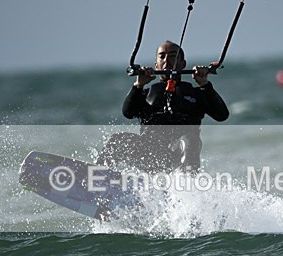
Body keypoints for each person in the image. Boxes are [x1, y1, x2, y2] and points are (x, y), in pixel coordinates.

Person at [97, 41, 229, 173]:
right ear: (156, 65)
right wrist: (138, 85)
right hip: (150, 153)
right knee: (117, 141)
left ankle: (187, 183)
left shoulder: (196, 93)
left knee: (189, 140)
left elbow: (222, 115)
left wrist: (204, 84)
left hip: (179, 152)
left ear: (182, 64)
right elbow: (128, 112)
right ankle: (98, 176)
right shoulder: (146, 93)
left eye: (172, 56)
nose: (167, 60)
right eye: (162, 56)